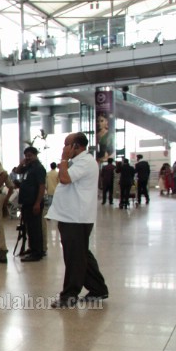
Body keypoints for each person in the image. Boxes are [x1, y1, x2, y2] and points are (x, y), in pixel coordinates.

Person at [47, 132, 108, 308]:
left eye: (67, 145)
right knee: (81, 254)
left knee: (74, 257)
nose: (64, 148)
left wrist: (63, 160)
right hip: (70, 216)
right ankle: (98, 289)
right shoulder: (79, 161)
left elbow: (64, 179)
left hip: (77, 217)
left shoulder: (86, 162)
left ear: (76, 146)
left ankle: (69, 295)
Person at [15, 146, 46, 261]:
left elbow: (42, 186)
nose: (28, 157)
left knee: (35, 228)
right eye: (26, 155)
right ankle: (33, 248)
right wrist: (22, 163)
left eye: (30, 155)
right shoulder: (28, 167)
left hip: (34, 202)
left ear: (35, 155)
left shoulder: (38, 168)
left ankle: (37, 252)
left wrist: (37, 203)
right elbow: (17, 172)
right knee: (29, 228)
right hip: (26, 202)